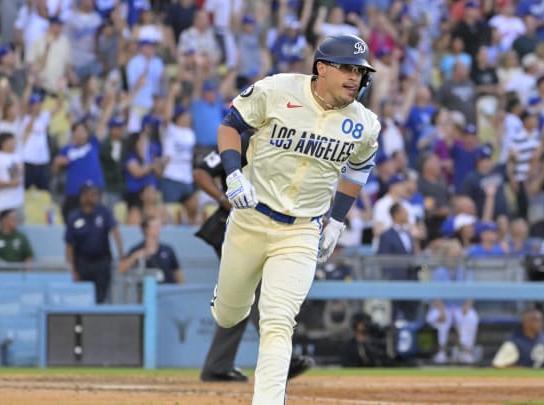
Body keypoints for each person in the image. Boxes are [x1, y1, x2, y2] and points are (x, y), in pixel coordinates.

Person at [210, 34, 380, 404]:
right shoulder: (276, 89)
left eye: (361, 71)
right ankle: (225, 297)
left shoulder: (364, 124)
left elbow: (358, 170)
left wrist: (336, 220)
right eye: (348, 69)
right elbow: (229, 125)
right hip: (250, 218)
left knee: (278, 321)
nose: (356, 78)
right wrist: (233, 173)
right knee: (229, 314)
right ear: (322, 67)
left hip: (302, 230)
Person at [194, 141, 315, 382]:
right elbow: (200, 172)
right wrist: (223, 199)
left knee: (242, 295)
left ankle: (218, 365)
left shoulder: (282, 141)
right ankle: (280, 359)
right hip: (237, 230)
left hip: (267, 229)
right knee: (259, 293)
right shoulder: (242, 139)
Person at [64, 182, 124, 304]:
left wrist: (121, 253)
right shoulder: (74, 217)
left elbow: (115, 232)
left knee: (101, 296)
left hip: (102, 261)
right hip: (82, 261)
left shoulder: (104, 212)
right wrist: (72, 269)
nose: (90, 197)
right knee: (82, 296)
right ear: (81, 196)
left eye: (93, 194)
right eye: (87, 194)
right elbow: (69, 245)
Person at [426, 240, 479, 364]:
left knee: (470, 317)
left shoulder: (465, 271)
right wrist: (441, 310)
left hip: (461, 306)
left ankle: (465, 351)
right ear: (446, 255)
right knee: (442, 318)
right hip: (443, 306)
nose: (456, 256)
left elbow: (471, 292)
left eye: (458, 253)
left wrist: (467, 306)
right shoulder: (439, 272)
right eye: (453, 253)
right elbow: (435, 294)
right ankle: (441, 351)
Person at [118, 216, 184, 284]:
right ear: (146, 229)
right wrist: (134, 257)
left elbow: (177, 273)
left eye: (159, 226)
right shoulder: (136, 249)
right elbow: (121, 269)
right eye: (155, 227)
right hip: (147, 291)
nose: (158, 229)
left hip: (167, 290)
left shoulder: (168, 250)